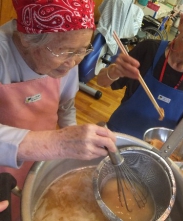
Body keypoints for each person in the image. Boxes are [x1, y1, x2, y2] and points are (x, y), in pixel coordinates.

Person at [0, 0, 117, 220]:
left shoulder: (67, 59)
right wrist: (57, 143)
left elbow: (66, 107)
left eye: (83, 50)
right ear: (27, 39)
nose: (73, 63)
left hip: (42, 161)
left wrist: (71, 146)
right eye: (64, 51)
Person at [96, 0, 183, 139]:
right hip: (119, 134)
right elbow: (101, 82)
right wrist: (114, 71)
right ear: (181, 24)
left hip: (156, 148)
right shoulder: (149, 49)